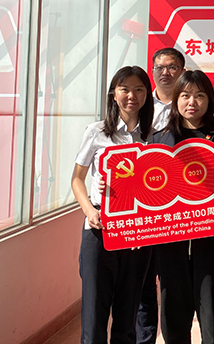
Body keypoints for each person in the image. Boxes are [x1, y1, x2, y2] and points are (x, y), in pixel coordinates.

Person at [152, 70, 214, 344]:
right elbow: (152, 189)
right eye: (185, 95)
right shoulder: (159, 139)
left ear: (209, 100)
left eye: (199, 95)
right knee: (174, 316)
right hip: (172, 243)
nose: (192, 102)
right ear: (176, 99)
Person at [71, 65, 155, 344]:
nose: (132, 96)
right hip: (100, 228)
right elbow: (77, 179)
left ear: (147, 94)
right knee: (94, 314)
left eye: (139, 89)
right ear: (114, 93)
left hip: (138, 232)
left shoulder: (154, 136)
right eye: (125, 89)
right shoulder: (97, 131)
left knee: (127, 314)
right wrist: (89, 211)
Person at [137, 47, 186, 344]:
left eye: (172, 67)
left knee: (171, 283)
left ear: (182, 71)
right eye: (159, 67)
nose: (165, 72)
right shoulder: (140, 105)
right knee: (142, 283)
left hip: (177, 210)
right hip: (144, 206)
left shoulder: (188, 105)